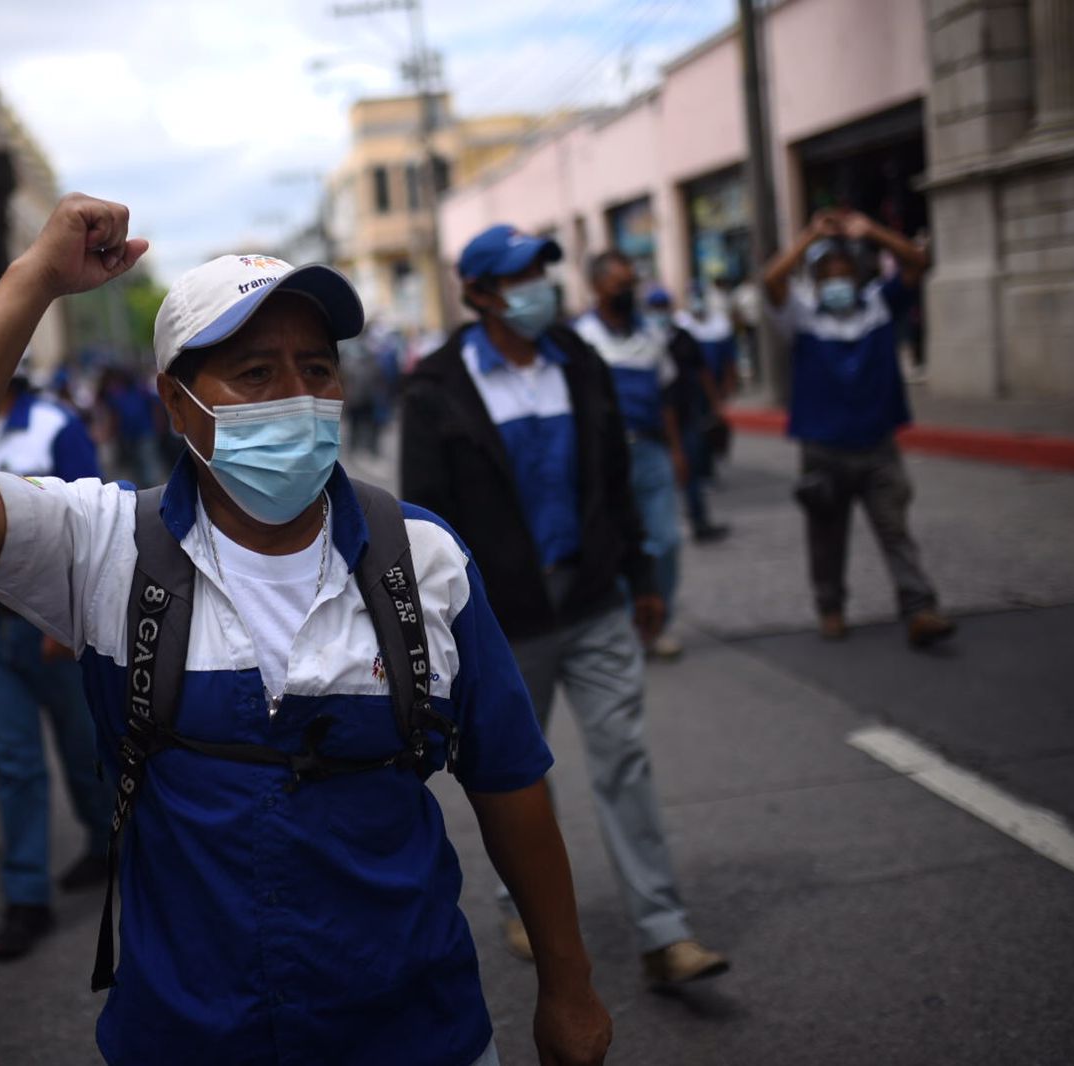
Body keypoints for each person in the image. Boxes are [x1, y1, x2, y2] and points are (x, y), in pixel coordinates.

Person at [0, 194, 611, 1066]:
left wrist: (570, 985)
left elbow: (510, 781)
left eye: (318, 370)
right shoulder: (105, 551)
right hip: (188, 1040)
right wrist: (34, 280)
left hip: (418, 1032)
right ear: (177, 408)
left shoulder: (424, 559)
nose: (298, 399)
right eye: (255, 375)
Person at [402, 224, 730, 993]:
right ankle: (521, 899)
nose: (540, 286)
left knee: (625, 758)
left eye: (544, 270)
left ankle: (664, 931)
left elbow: (613, 480)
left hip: (591, 603)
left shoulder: (576, 361)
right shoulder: (437, 387)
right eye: (520, 276)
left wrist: (642, 574)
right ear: (479, 294)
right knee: (517, 775)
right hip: (502, 624)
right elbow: (423, 518)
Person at [0, 365, 115, 961]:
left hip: (47, 624)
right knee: (15, 761)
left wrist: (71, 615)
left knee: (84, 748)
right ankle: (26, 896)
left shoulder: (54, 426)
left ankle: (111, 846)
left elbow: (92, 526)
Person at [762, 209, 957, 648]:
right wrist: (810, 234)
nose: (837, 280)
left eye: (844, 271)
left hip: (878, 445)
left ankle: (919, 608)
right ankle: (830, 607)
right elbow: (771, 280)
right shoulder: (802, 315)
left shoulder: (879, 306)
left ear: (858, 274)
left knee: (895, 531)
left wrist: (871, 232)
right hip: (823, 450)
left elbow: (917, 264)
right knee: (827, 538)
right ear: (815, 280)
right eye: (827, 273)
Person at [575, 251, 690, 660]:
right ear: (596, 286)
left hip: (650, 450)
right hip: (606, 459)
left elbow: (666, 400)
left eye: (630, 284)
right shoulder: (581, 338)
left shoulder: (650, 335)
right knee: (616, 545)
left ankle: (658, 621)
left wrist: (676, 450)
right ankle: (627, 626)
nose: (626, 292)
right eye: (618, 284)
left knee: (667, 540)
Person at [646, 288, 730, 544]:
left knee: (689, 467)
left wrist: (716, 404)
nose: (660, 312)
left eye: (663, 307)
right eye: (655, 307)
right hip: (653, 423)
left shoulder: (683, 337)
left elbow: (703, 371)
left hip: (685, 414)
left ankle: (699, 520)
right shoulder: (645, 339)